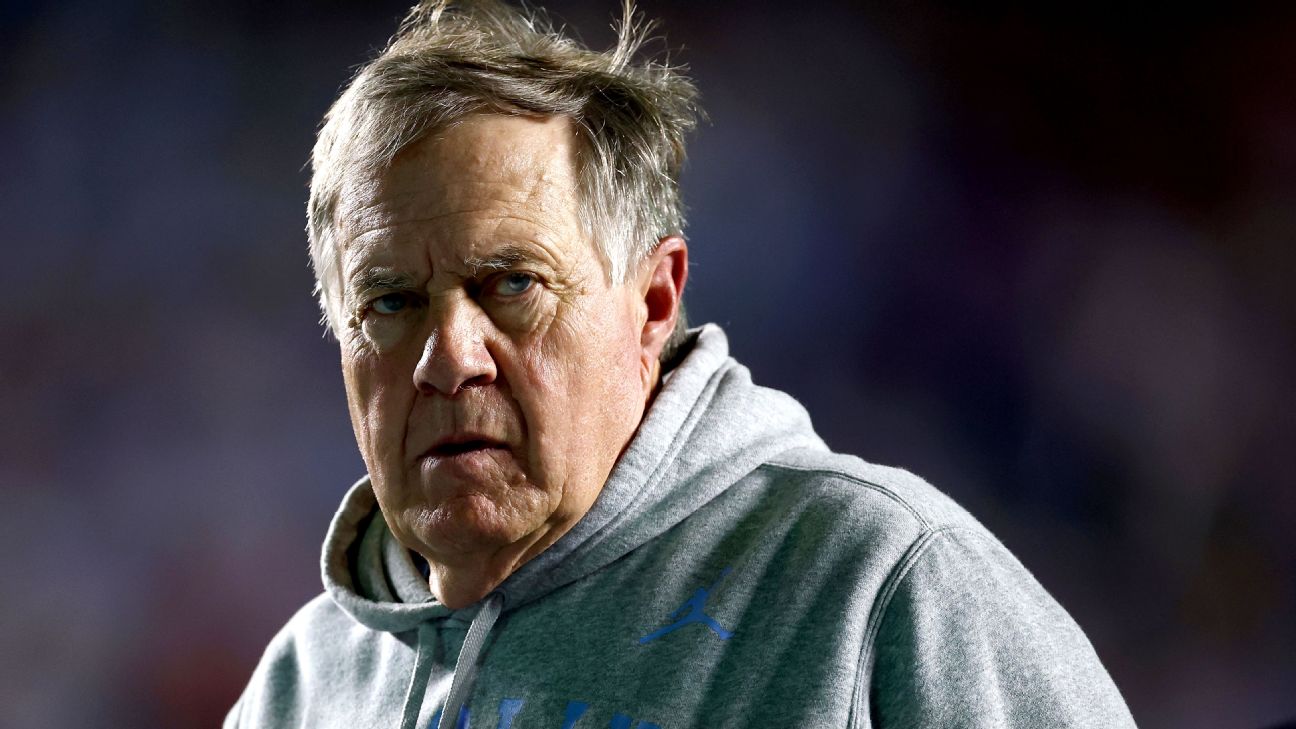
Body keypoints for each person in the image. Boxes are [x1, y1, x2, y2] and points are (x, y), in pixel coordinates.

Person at [225, 1, 1137, 727]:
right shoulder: (300, 689)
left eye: (512, 285)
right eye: (390, 303)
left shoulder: (881, 585)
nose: (448, 359)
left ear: (653, 302)